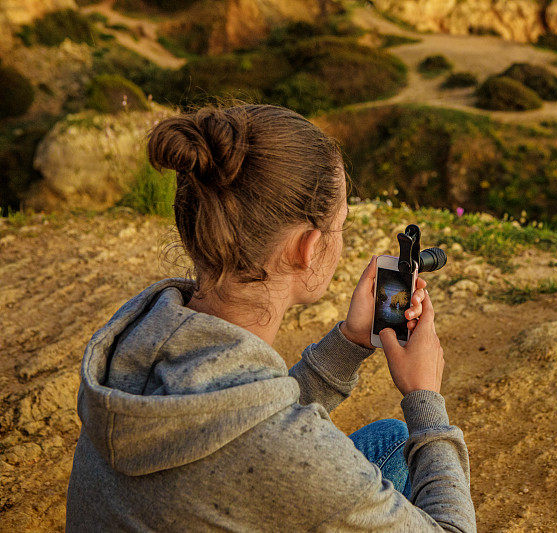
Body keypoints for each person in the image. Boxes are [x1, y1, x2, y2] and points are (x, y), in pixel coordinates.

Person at [65, 104, 476, 532]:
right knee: (408, 441)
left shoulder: (138, 331)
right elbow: (270, 443)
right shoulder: (293, 454)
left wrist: (351, 342)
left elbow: (234, 418)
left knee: (391, 441)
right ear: (308, 247)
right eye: (342, 225)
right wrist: (424, 397)